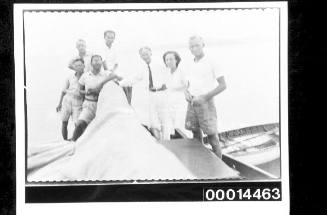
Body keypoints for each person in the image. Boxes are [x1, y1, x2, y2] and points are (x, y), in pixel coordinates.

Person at [183, 36, 227, 158]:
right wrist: (186, 92)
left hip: (206, 102)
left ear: (203, 45)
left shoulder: (212, 61)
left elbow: (223, 85)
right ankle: (201, 161)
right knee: (195, 132)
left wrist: (204, 97)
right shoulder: (190, 63)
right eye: (191, 46)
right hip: (192, 102)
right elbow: (187, 84)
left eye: (197, 45)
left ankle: (220, 167)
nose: (194, 48)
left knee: (212, 136)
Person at [71, 54, 119, 141]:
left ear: (101, 62)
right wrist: (87, 92)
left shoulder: (106, 74)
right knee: (80, 124)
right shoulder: (85, 75)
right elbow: (79, 91)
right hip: (89, 105)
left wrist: (100, 85)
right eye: (95, 60)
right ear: (91, 63)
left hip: (103, 106)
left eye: (99, 60)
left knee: (102, 131)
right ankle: (72, 143)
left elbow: (116, 76)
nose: (97, 62)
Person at [56, 58, 85, 140]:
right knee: (64, 122)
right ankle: (65, 141)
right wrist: (59, 103)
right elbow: (63, 91)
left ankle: (76, 140)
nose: (78, 67)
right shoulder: (70, 77)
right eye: (76, 66)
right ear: (74, 67)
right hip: (67, 100)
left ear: (83, 66)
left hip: (78, 101)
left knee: (78, 123)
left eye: (80, 65)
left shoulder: (86, 76)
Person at [162, 51, 188, 139]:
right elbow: (165, 86)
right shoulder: (167, 72)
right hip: (169, 103)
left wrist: (173, 88)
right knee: (170, 127)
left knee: (179, 126)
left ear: (176, 60)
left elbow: (186, 85)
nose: (168, 61)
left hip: (180, 103)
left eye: (171, 59)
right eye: (167, 60)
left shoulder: (181, 71)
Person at [101, 30, 132, 104]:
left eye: (112, 38)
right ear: (104, 37)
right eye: (108, 37)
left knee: (128, 84)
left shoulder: (114, 48)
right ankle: (126, 104)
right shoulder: (101, 47)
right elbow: (103, 63)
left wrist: (113, 71)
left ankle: (128, 103)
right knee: (121, 81)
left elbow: (116, 63)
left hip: (113, 71)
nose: (110, 39)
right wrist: (110, 73)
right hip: (104, 71)